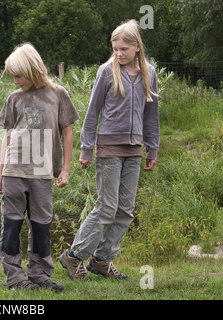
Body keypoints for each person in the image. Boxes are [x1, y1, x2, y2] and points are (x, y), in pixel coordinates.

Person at [58, 19, 159, 280]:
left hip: (134, 150)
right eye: (115, 48)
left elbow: (151, 116)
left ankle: (102, 260)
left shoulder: (149, 73)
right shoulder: (106, 72)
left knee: (125, 209)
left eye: (124, 48)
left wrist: (153, 149)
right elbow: (92, 113)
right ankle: (74, 256)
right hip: (108, 149)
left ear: (137, 47)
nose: (118, 53)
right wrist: (86, 149)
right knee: (106, 207)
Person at [0, 43, 79, 291]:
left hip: (42, 173)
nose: (15, 82)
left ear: (32, 70)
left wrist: (65, 169)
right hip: (13, 171)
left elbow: (67, 131)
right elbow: (7, 136)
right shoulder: (14, 98)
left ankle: (40, 274)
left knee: (41, 224)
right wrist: (0, 172)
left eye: (18, 76)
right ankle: (16, 278)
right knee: (11, 224)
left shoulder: (58, 94)